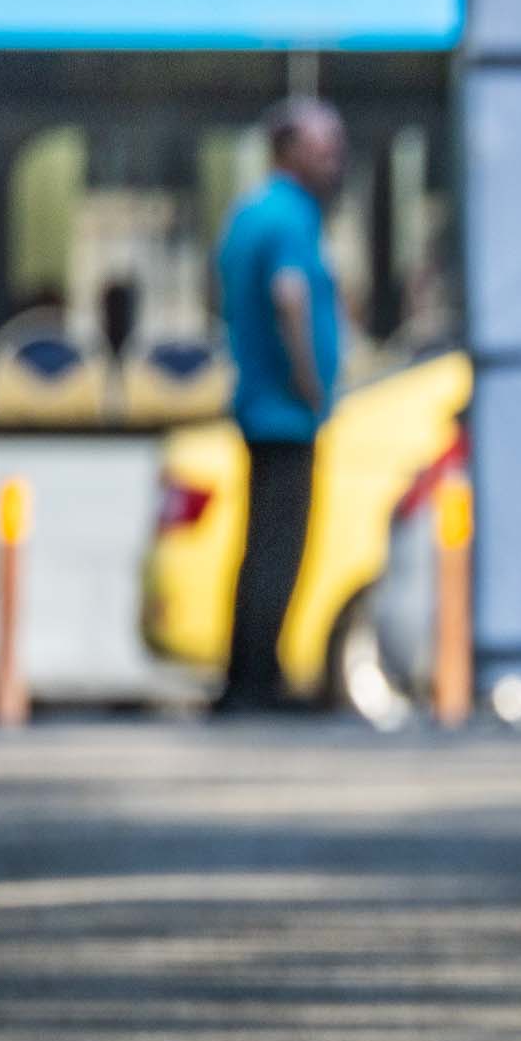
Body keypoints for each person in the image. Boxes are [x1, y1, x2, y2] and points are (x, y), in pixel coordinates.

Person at [214, 96, 346, 714]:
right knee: (278, 550)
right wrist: (309, 378)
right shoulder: (292, 215)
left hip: (260, 406)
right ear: (288, 151)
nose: (334, 164)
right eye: (324, 151)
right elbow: (289, 295)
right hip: (286, 412)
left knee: (259, 546)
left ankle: (248, 675)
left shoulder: (249, 212)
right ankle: (255, 683)